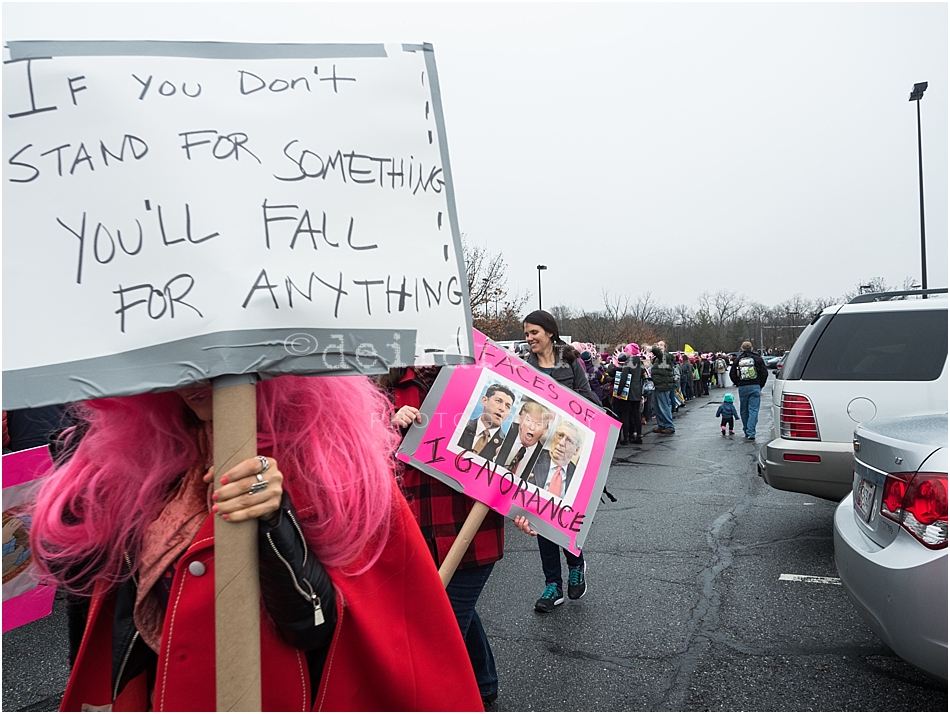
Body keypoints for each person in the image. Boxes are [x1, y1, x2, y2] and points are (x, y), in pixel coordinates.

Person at [30, 376, 482, 711]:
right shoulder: (148, 466)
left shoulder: (336, 472)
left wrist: (274, 520)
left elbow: (315, 625)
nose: (197, 377)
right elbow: (92, 593)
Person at [382, 367, 506, 707]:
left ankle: (451, 699)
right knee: (452, 610)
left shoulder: (479, 377)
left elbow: (510, 450)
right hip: (417, 525)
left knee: (443, 627)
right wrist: (390, 424)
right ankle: (484, 681)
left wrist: (527, 506)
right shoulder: (386, 381)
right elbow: (363, 446)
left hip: (471, 527)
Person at [519, 310, 599, 613]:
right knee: (540, 516)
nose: (529, 339)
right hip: (539, 452)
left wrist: (571, 403)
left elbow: (587, 395)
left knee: (565, 513)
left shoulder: (571, 362)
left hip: (568, 449)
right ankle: (552, 584)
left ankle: (576, 562)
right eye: (526, 334)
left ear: (550, 333)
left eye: (534, 332)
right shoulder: (526, 365)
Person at [496, 399, 555, 480]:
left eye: (538, 424)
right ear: (520, 419)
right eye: (528, 420)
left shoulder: (542, 457)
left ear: (545, 430)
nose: (532, 427)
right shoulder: (503, 432)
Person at [457, 383, 515, 461]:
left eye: (507, 406)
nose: (502, 409)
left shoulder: (505, 446)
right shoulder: (460, 426)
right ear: (484, 401)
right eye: (498, 401)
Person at [525, 421, 582, 499]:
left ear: (576, 450)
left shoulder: (577, 477)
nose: (561, 443)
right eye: (560, 435)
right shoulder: (533, 456)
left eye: (569, 440)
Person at [729, 340, 769, 440]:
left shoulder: (738, 359)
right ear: (752, 348)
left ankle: (746, 430)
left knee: (744, 410)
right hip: (755, 385)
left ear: (741, 348)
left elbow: (732, 374)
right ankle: (751, 431)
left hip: (743, 386)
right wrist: (760, 385)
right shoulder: (757, 359)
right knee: (753, 410)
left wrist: (738, 383)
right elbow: (764, 373)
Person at [607, 350, 644, 445]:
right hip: (637, 391)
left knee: (625, 414)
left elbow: (623, 378)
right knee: (636, 414)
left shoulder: (628, 363)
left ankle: (626, 438)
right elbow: (642, 377)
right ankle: (639, 435)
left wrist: (619, 392)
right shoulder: (640, 363)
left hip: (628, 392)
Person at [650, 344, 677, 435]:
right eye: (658, 345)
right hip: (658, 385)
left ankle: (669, 426)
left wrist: (652, 348)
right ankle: (661, 425)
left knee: (664, 406)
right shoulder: (657, 359)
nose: (659, 346)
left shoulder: (666, 356)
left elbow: (660, 354)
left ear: (665, 347)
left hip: (664, 385)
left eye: (661, 345)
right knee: (658, 407)